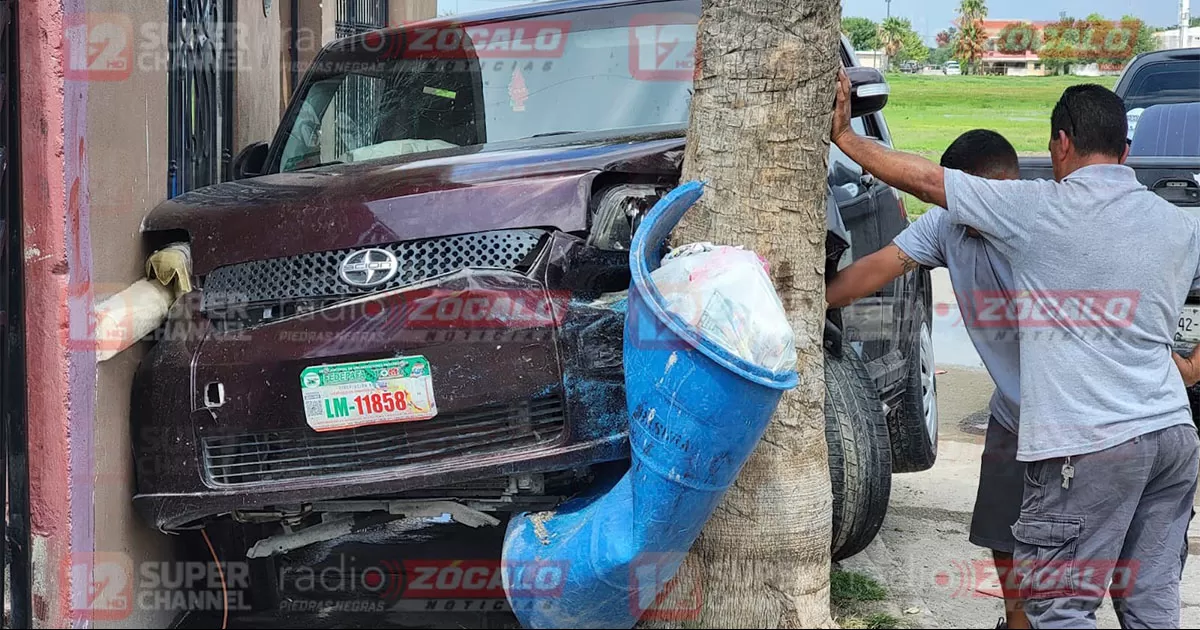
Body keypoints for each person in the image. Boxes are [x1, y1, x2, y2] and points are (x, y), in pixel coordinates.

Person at [829, 75, 1200, 629]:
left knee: (1061, 608)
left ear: (1059, 143)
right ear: (1127, 151)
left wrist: (845, 137)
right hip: (1171, 436)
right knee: (1149, 604)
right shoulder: (1179, 224)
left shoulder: (1037, 209)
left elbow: (930, 181)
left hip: (1084, 441)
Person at [826, 129, 1029, 629]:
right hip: (1013, 409)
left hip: (1075, 417)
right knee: (1001, 534)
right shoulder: (946, 223)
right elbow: (873, 271)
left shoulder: (1042, 217)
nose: (970, 214)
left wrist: (845, 136)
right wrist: (800, 299)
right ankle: (1016, 621)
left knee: (1072, 548)